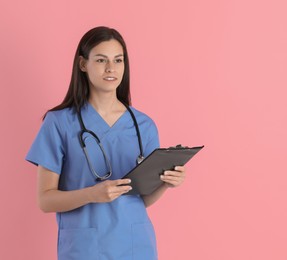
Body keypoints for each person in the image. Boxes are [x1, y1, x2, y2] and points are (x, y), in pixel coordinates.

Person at [25, 26, 186, 260]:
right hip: (84, 248)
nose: (111, 69)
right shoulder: (58, 123)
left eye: (118, 60)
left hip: (136, 246)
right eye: (101, 60)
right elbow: (45, 200)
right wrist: (92, 194)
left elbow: (142, 199)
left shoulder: (144, 125)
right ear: (83, 64)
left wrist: (166, 183)